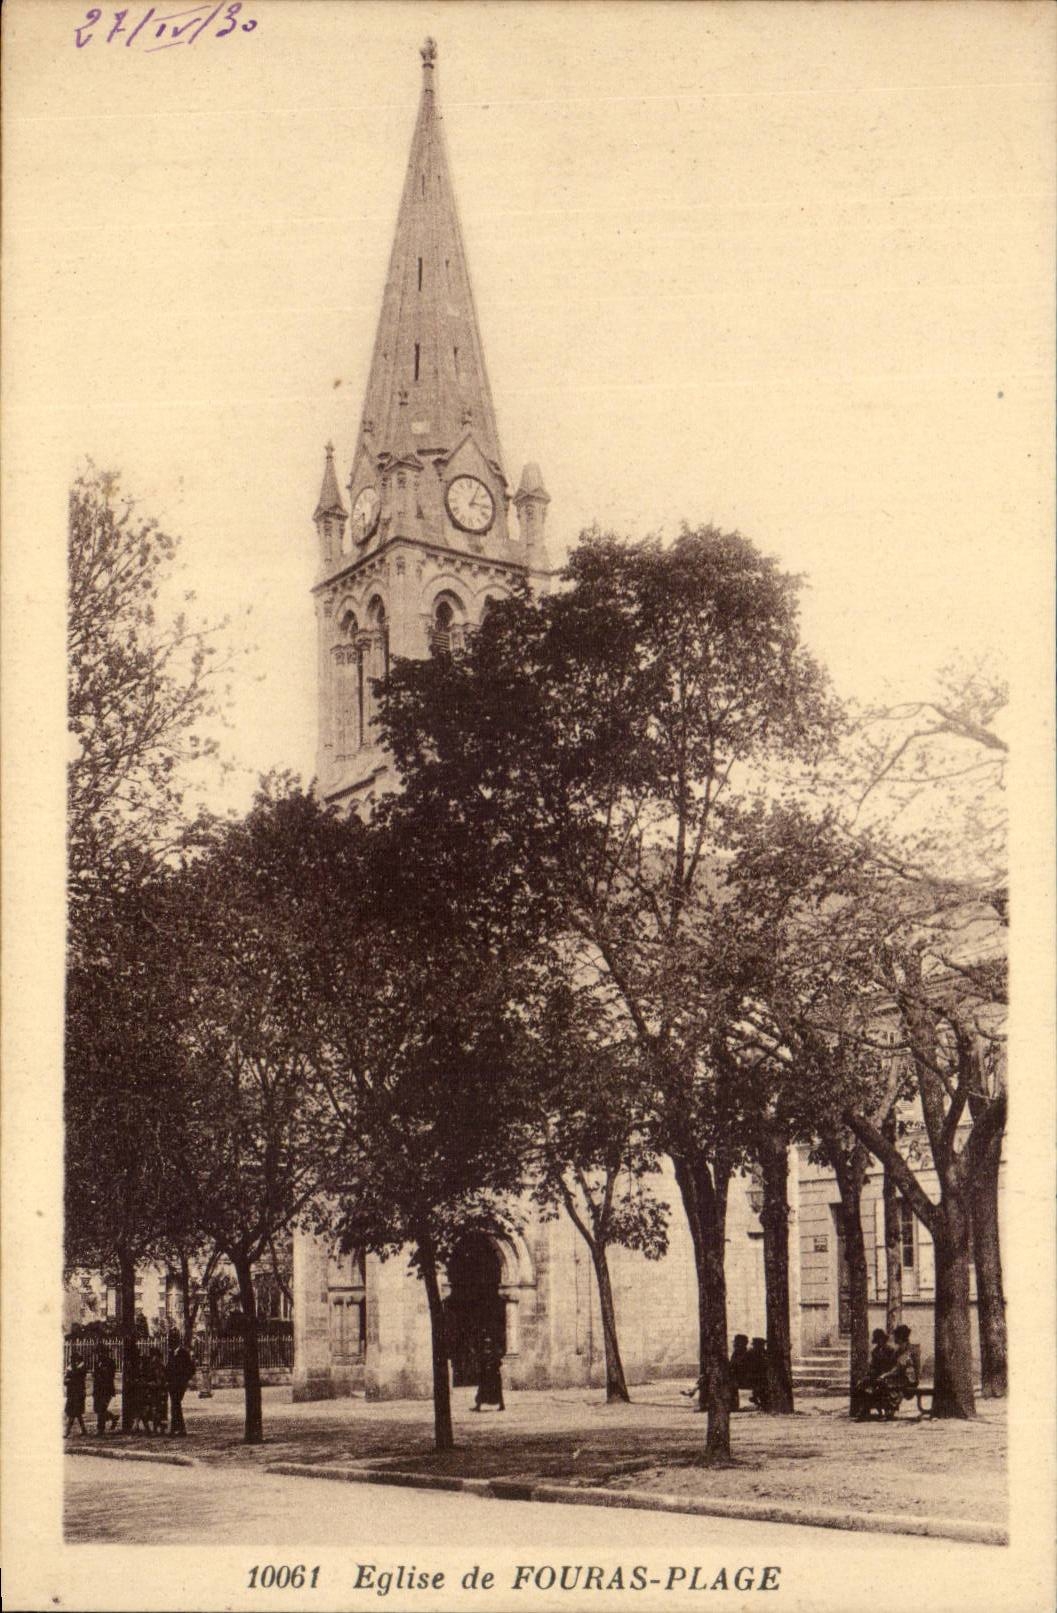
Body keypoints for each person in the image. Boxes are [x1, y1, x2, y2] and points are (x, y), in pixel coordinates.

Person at [166, 1336, 196, 1437]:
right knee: (175, 1405)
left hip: (179, 1384)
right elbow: (169, 1368)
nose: (170, 1344)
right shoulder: (171, 1353)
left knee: (175, 1405)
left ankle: (176, 1429)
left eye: (172, 1341)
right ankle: (179, 1429)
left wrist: (184, 1380)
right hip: (172, 1384)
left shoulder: (183, 1353)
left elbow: (191, 1369)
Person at [472, 1336, 505, 1412]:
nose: (487, 1345)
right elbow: (480, 1362)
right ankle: (478, 1406)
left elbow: (499, 1363)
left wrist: (491, 1366)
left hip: (493, 1375)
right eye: (486, 1343)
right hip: (485, 1375)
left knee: (496, 1390)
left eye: (488, 1343)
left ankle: (501, 1405)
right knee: (481, 1390)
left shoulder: (495, 1353)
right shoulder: (483, 1353)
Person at [92, 1347, 119, 1435]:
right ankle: (113, 1417)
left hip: (106, 1389)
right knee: (97, 1409)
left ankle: (100, 1429)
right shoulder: (97, 1363)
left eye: (102, 1352)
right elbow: (95, 1375)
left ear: (106, 1353)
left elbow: (110, 1375)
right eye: (99, 1352)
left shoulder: (110, 1362)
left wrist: (100, 1374)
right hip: (98, 1389)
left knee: (102, 1409)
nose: (100, 1354)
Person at [64, 1355, 88, 1436]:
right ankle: (84, 1430)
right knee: (77, 1413)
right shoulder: (71, 1368)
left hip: (78, 1394)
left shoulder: (82, 1368)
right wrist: (70, 1379)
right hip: (71, 1393)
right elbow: (65, 1380)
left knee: (72, 1413)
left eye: (74, 1360)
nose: (72, 1362)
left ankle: (67, 1432)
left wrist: (70, 1379)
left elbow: (77, 1378)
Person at [745, 1337, 769, 1409]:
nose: (762, 1346)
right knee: (759, 1386)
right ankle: (759, 1399)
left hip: (759, 1375)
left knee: (760, 1386)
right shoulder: (752, 1352)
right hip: (755, 1375)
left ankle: (757, 1398)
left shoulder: (762, 1352)